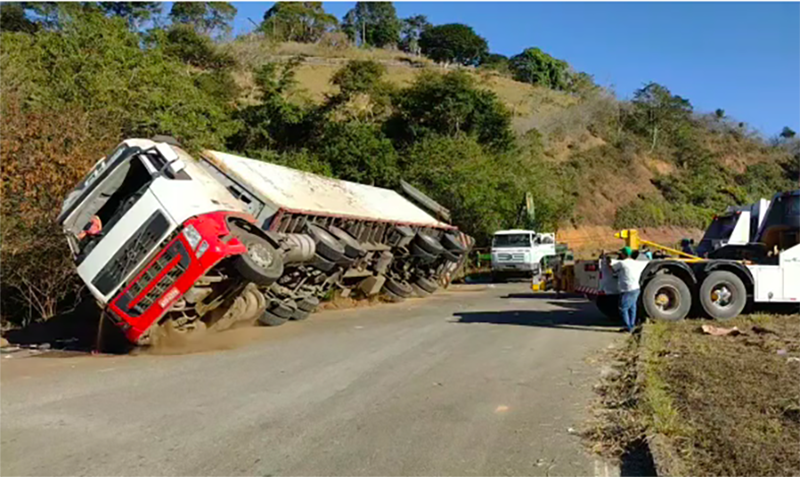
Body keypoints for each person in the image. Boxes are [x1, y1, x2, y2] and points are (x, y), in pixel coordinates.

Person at [609, 247, 640, 332]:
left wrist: (608, 259)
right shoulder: (635, 263)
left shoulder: (622, 263)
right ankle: (632, 324)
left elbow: (612, 268)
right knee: (632, 307)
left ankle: (627, 327)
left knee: (623, 308)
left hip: (627, 289)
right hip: (636, 288)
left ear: (623, 254)